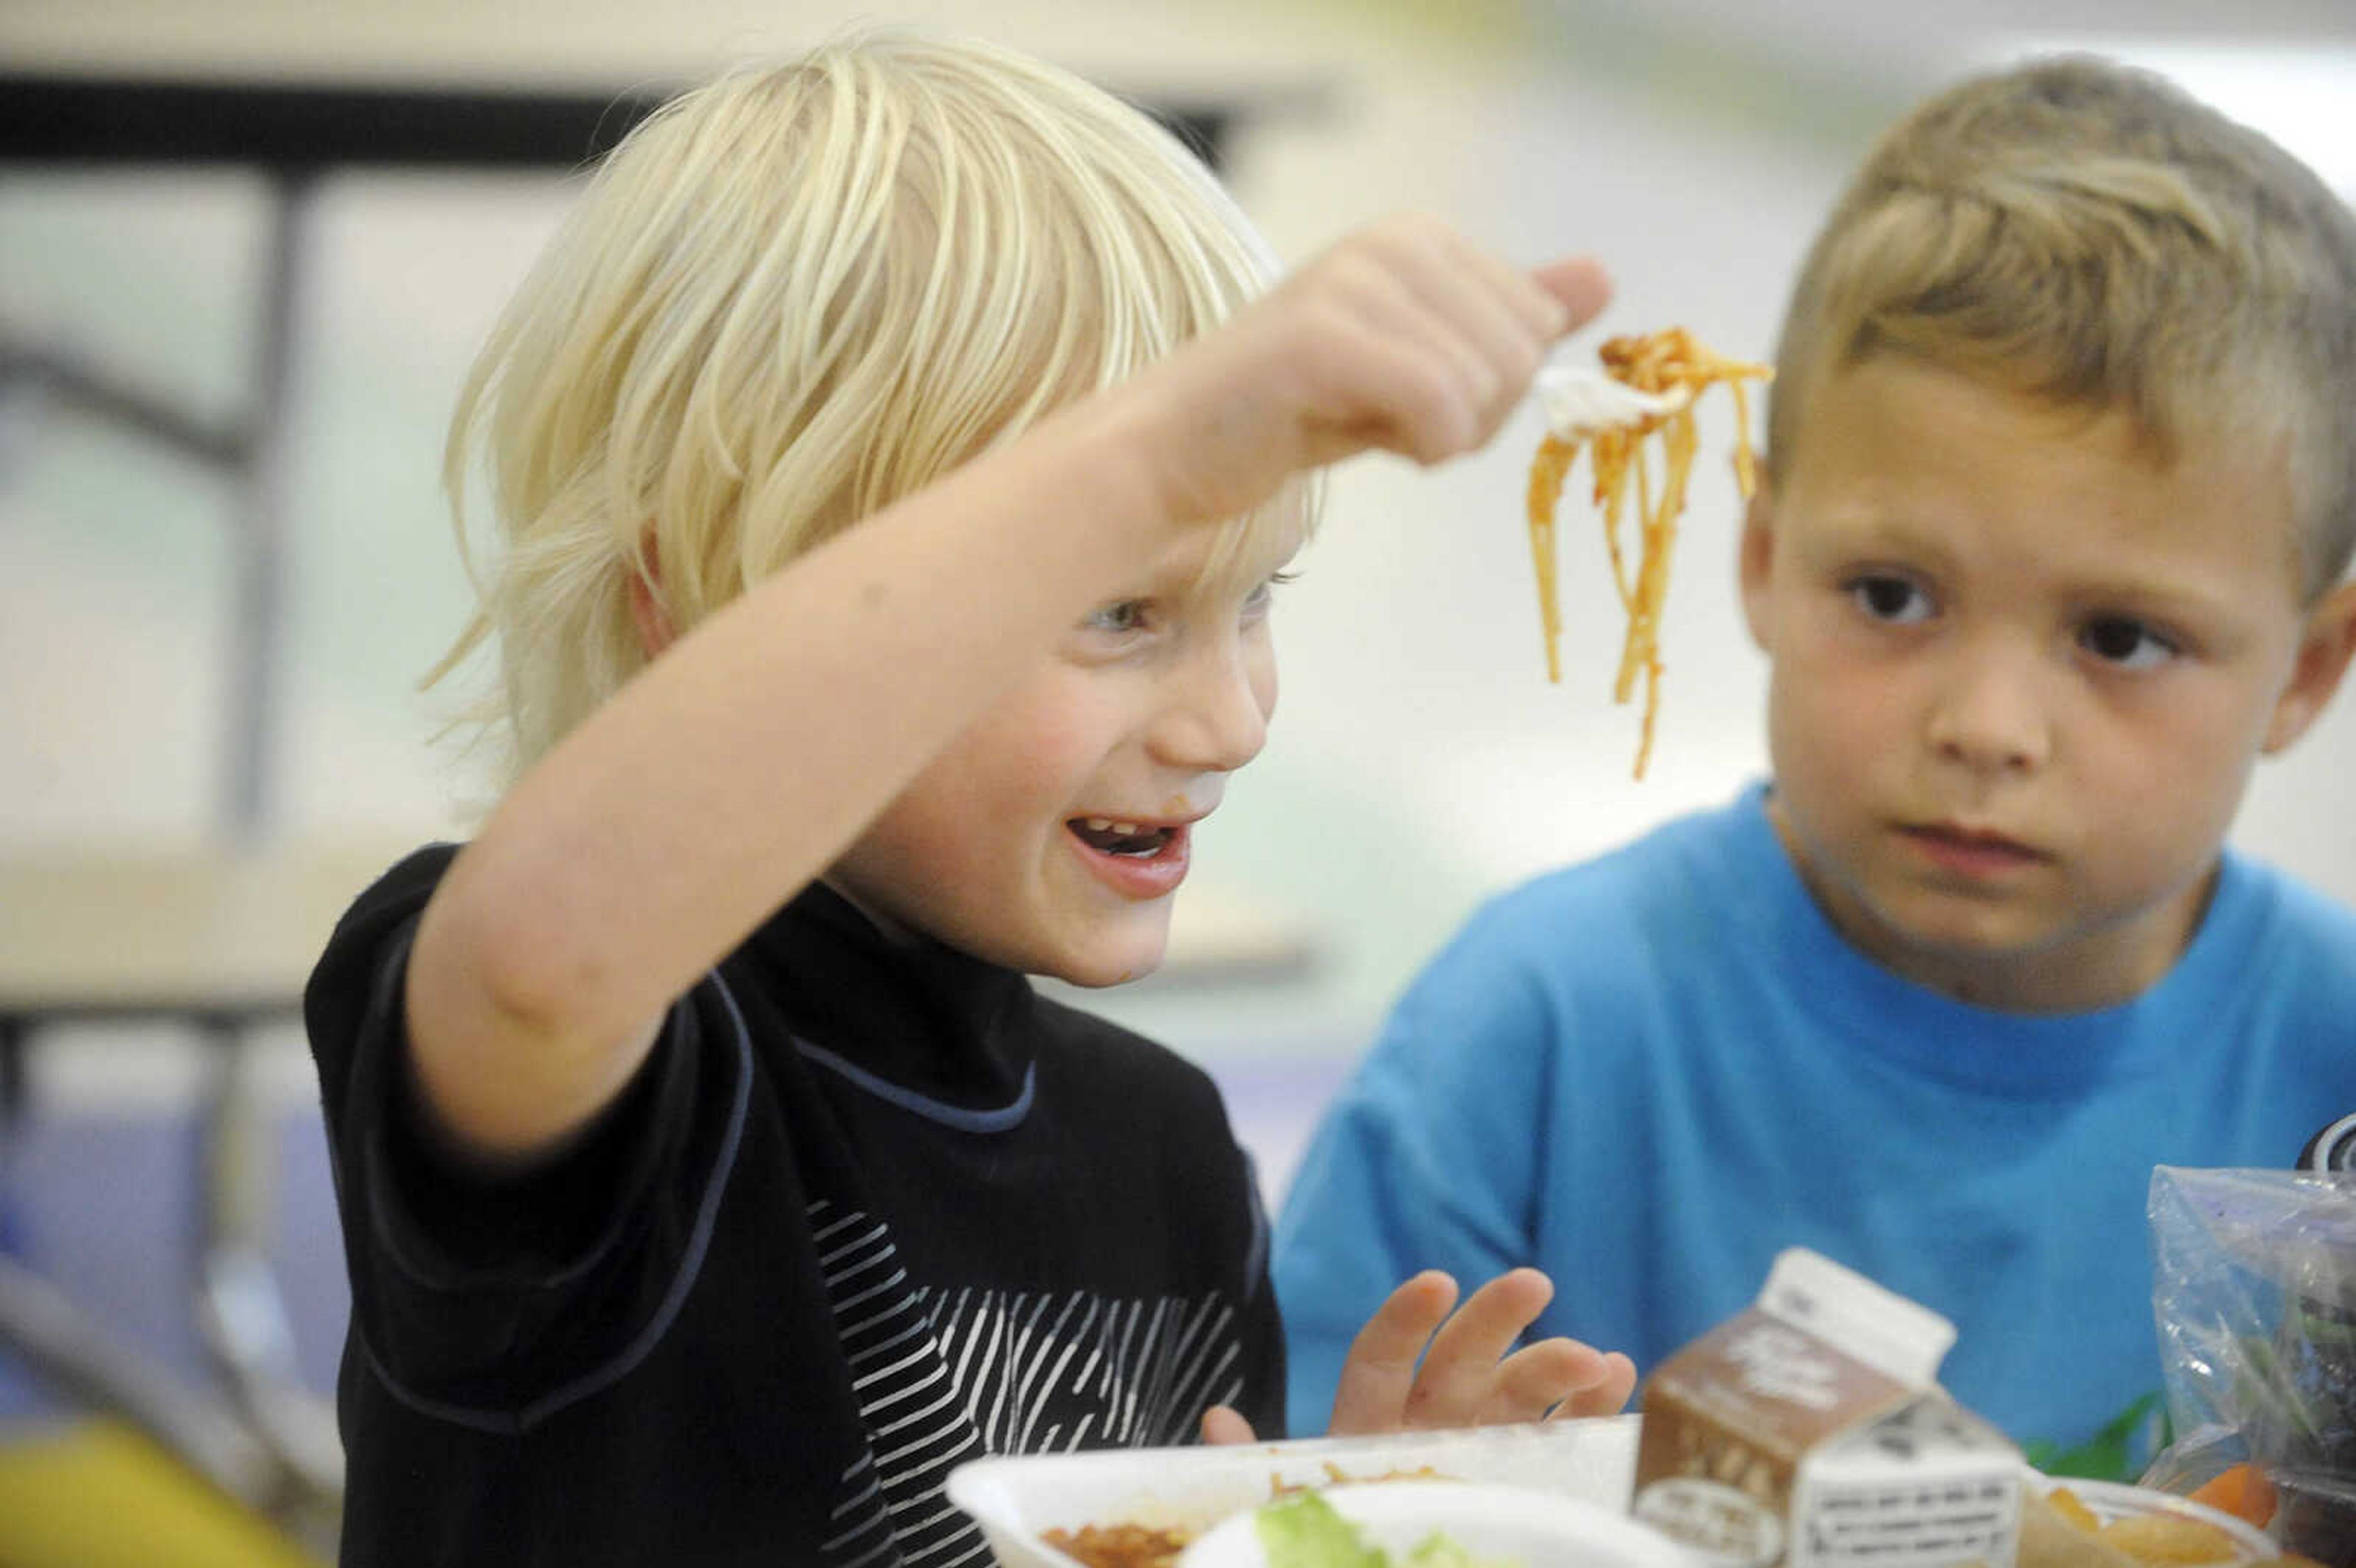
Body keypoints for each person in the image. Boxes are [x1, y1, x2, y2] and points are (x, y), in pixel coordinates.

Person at [302, 27, 1637, 1568]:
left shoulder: (1166, 1158)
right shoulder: (632, 1076)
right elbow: (538, 966)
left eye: (1257, 596)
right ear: (703, 611)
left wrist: (1346, 1537)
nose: (1233, 720)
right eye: (1117, 611)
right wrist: (1148, 457)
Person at [1272, 52, 2356, 1482]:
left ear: (2306, 672)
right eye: (1895, 597)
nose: (1988, 725)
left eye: (2119, 636)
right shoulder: (1535, 1029)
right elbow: (1283, 1504)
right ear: (1768, 563)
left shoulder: (2332, 1050)